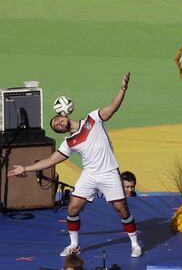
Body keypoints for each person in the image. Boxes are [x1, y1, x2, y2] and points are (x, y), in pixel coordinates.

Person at [8, 72, 142, 258]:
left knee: (122, 209)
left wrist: (123, 88)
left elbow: (112, 108)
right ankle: (73, 245)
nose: (58, 123)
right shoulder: (69, 142)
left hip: (109, 173)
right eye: (56, 126)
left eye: (57, 120)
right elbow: (51, 160)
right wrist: (25, 168)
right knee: (72, 208)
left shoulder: (92, 119)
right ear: (60, 130)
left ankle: (135, 244)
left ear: (63, 115)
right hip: (90, 175)